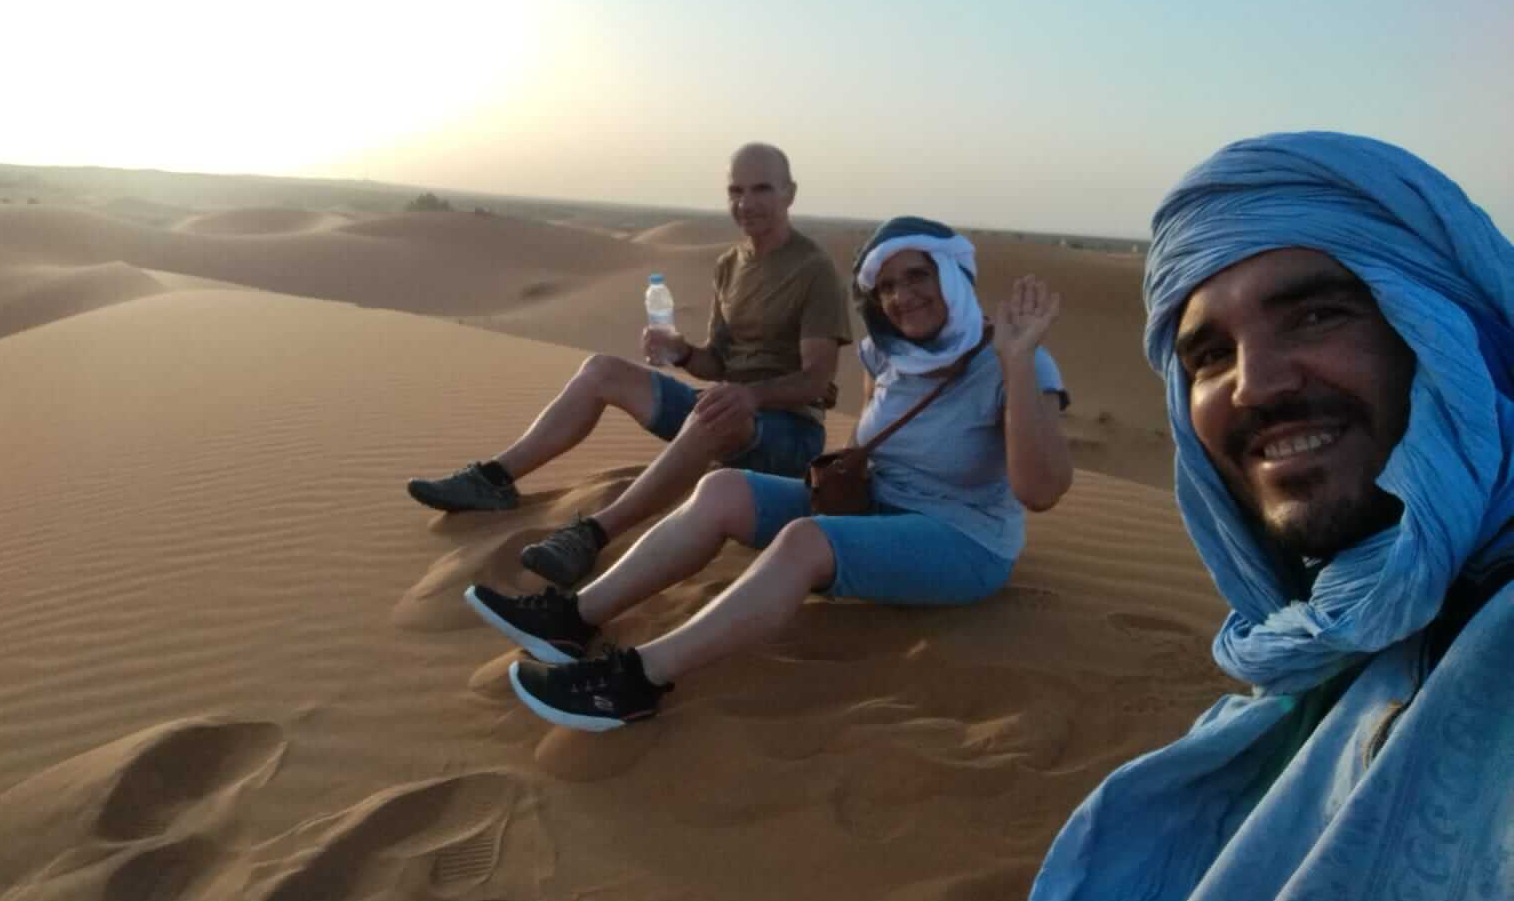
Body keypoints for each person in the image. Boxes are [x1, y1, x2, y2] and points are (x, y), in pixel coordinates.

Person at [1012, 132, 1514, 901]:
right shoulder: (1337, 647)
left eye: (1318, 314)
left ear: (1447, 329)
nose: (1254, 383)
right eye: (1207, 355)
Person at [464, 215, 1073, 730]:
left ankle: (636, 680)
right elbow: (870, 446)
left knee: (803, 542)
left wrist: (1016, 363)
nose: (902, 295)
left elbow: (1041, 491)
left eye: (918, 275)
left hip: (963, 539)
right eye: (885, 284)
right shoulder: (887, 353)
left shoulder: (1019, 360)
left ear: (954, 275)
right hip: (876, 507)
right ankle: (574, 618)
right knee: (723, 488)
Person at [407, 142, 851, 588]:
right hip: (722, 411)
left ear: (789, 193)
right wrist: (683, 352)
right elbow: (718, 361)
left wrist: (750, 395)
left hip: (789, 437)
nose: (746, 203)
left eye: (761, 189)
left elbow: (816, 379)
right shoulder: (728, 266)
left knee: (715, 412)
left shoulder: (813, 270)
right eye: (735, 190)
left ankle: (592, 535)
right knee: (602, 370)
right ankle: (495, 480)